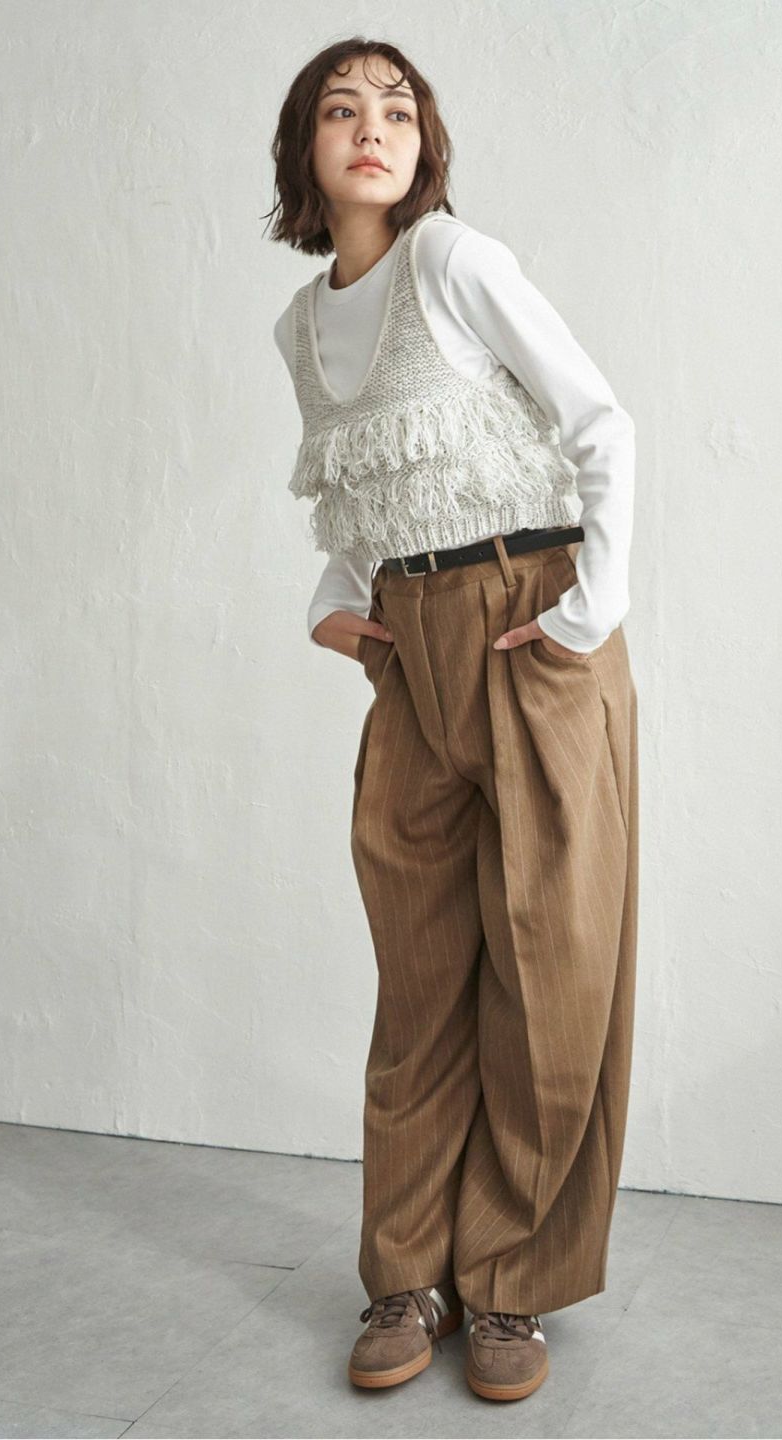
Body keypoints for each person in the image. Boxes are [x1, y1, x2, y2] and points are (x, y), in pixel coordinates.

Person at [267, 36, 639, 1404]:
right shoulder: (300, 326)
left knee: (548, 968)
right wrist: (334, 596)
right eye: (341, 110)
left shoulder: (454, 262)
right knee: (420, 975)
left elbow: (601, 424)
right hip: (410, 645)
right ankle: (405, 1275)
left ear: (425, 146)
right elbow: (359, 490)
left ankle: (510, 1281)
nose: (372, 128)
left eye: (398, 109)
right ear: (304, 149)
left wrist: (591, 610)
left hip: (532, 621)